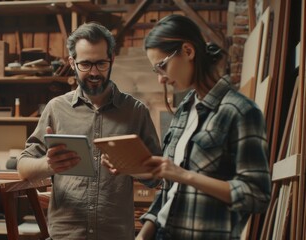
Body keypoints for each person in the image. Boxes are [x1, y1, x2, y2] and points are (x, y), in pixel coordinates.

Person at [17, 22, 162, 240]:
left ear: (112, 59)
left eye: (101, 63)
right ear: (72, 62)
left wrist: (131, 166)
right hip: (66, 234)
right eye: (85, 64)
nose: (94, 73)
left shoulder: (135, 111)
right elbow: (23, 167)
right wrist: (47, 165)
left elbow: (158, 175)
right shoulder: (56, 108)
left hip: (115, 234)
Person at [133, 15, 271, 239]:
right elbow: (170, 190)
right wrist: (144, 233)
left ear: (188, 51)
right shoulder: (183, 111)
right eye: (156, 71)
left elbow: (257, 195)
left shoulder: (240, 112)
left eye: (162, 66)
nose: (161, 79)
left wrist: (184, 175)